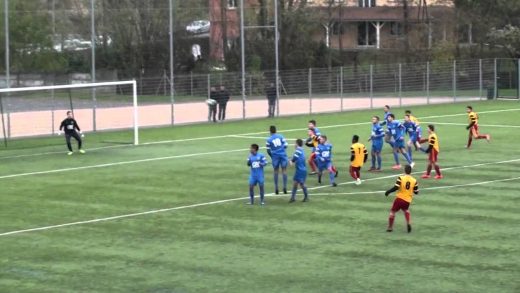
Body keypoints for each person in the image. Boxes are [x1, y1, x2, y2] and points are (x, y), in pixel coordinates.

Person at [384, 164, 419, 233]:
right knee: (406, 210)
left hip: (399, 199)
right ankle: (408, 223)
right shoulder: (414, 180)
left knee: (392, 212)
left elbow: (396, 187)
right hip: (407, 200)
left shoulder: (401, 178)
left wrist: (388, 192)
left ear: (404, 170)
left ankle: (390, 227)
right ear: (410, 171)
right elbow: (416, 192)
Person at [266, 125, 288, 194]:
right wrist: (282, 150)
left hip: (275, 156)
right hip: (282, 155)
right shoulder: (281, 136)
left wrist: (272, 156)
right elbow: (286, 145)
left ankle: (276, 188)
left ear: (270, 131)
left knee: (276, 171)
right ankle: (285, 187)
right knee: (284, 170)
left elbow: (268, 150)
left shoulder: (269, 139)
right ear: (276, 130)